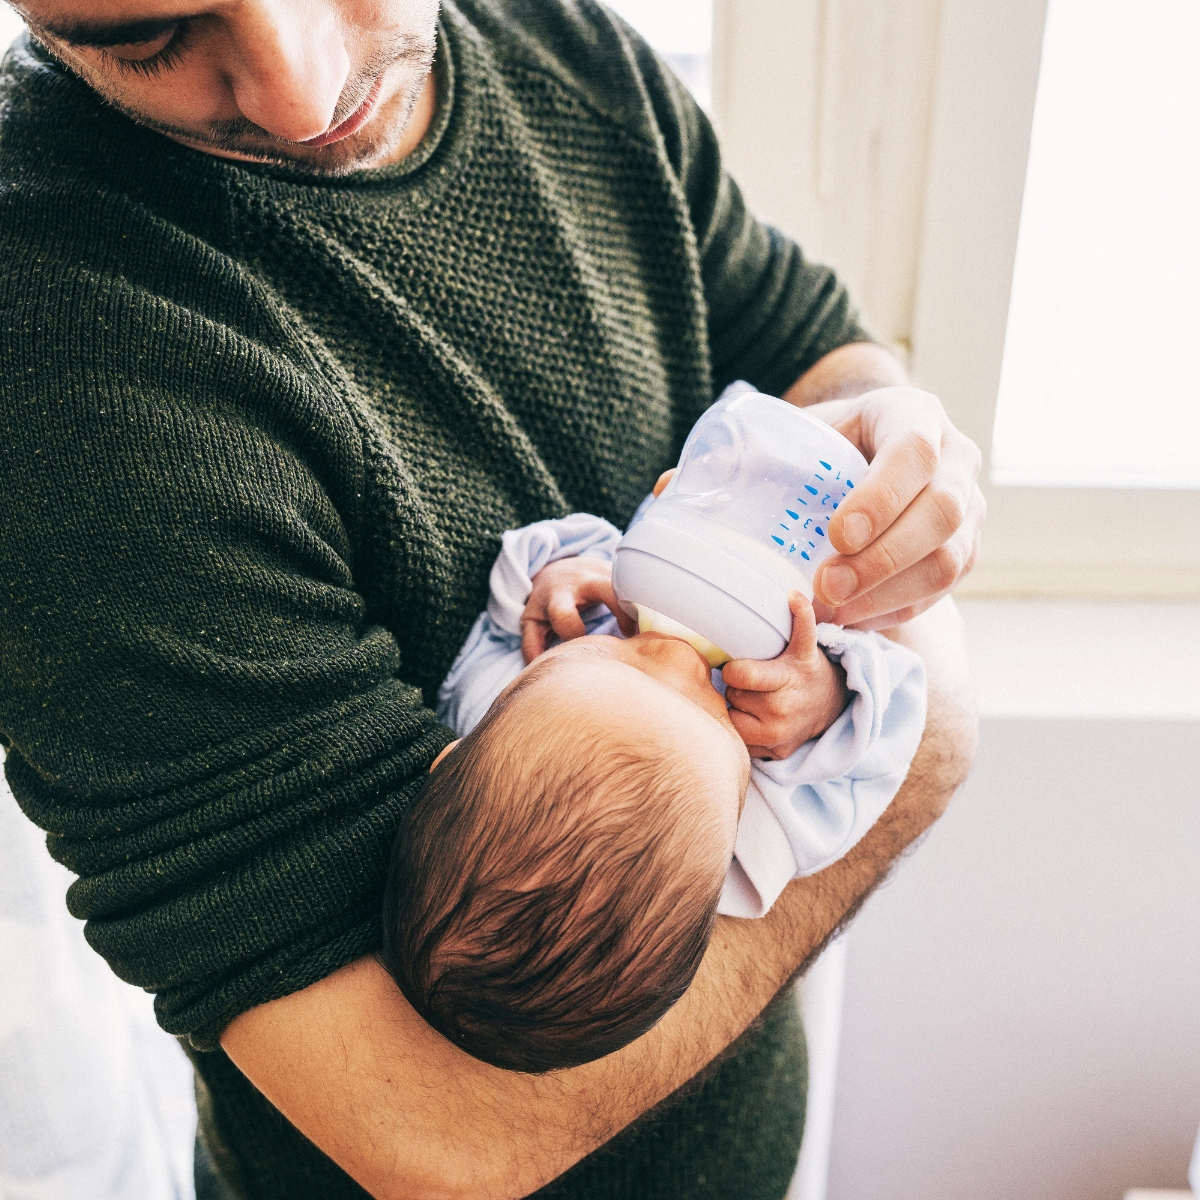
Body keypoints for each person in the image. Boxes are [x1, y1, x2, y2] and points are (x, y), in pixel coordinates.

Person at [0, 1, 983, 1196]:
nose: (303, 99)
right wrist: (922, 729)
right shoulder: (57, 368)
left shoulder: (559, 42)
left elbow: (803, 345)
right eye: (147, 39)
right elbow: (436, 1135)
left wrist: (890, 431)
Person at [382, 505, 927, 1074]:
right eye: (706, 707)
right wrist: (826, 699)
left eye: (618, 662)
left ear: (454, 756)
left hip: (702, 519)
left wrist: (561, 575)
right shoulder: (757, 839)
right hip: (809, 547)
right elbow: (892, 731)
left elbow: (507, 604)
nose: (676, 656)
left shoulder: (493, 709)